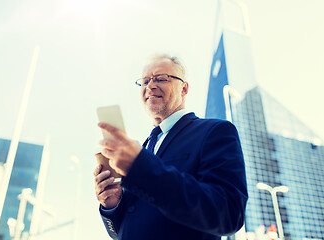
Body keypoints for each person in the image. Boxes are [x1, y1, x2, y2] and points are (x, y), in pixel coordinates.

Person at [94, 54, 248, 240]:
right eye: (144, 82)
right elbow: (126, 231)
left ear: (184, 88)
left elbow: (229, 214)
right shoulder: (142, 149)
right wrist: (113, 205)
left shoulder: (215, 131)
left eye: (160, 79)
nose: (150, 86)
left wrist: (141, 168)